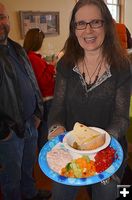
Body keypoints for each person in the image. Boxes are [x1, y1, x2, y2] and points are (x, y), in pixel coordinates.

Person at [47, 0, 131, 200]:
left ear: (107, 26)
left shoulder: (122, 67)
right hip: (71, 151)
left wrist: (96, 147)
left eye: (96, 22)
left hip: (108, 153)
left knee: (105, 193)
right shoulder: (65, 64)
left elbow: (121, 118)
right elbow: (57, 108)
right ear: (74, 29)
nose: (88, 30)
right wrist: (55, 131)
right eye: (81, 23)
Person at [0, 3, 51, 200]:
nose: (0, 23)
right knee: (10, 178)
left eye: (2, 17)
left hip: (30, 123)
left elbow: (33, 82)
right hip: (9, 132)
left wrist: (38, 112)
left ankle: (30, 194)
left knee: (28, 167)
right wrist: (3, 131)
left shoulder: (17, 49)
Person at [23, 28, 56, 152]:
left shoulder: (26, 56)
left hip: (37, 100)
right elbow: (43, 82)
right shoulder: (34, 59)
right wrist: (51, 69)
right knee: (46, 129)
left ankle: (43, 150)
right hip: (46, 99)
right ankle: (46, 152)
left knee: (43, 128)